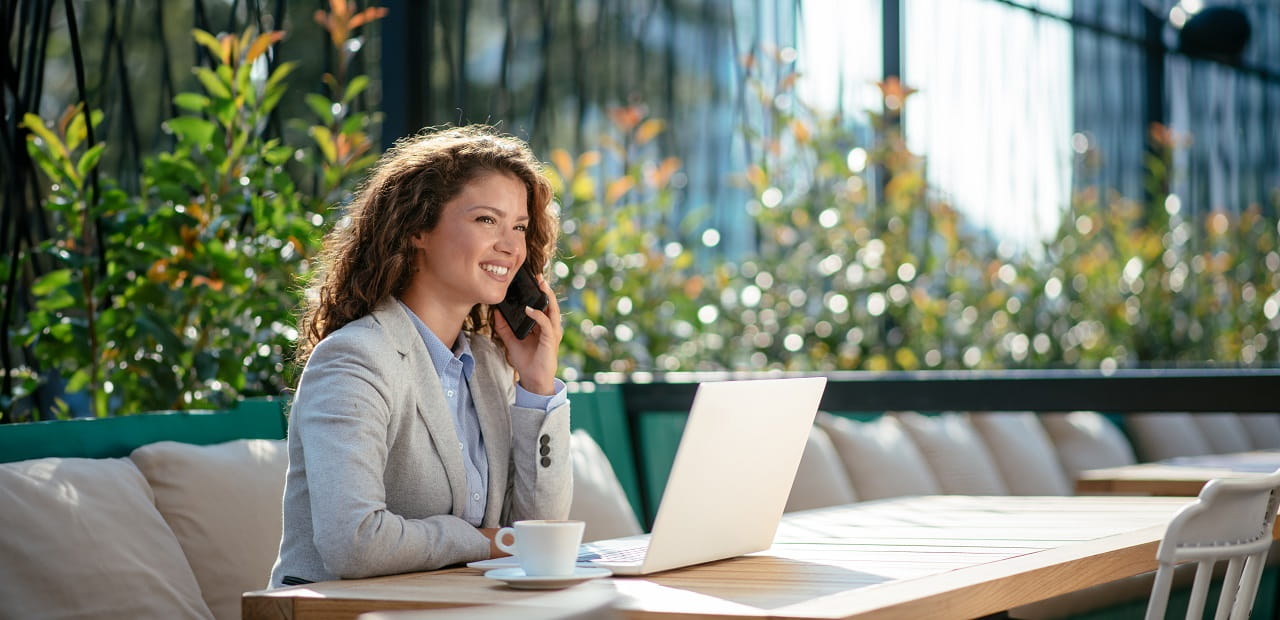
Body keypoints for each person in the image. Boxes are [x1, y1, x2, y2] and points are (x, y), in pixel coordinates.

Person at [269, 125, 571, 586]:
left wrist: (537, 386)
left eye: (520, 227)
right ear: (417, 228)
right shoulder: (354, 360)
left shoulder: (489, 367)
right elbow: (354, 543)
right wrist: (488, 541)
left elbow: (539, 536)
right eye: (486, 220)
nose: (510, 246)